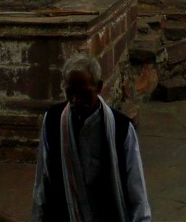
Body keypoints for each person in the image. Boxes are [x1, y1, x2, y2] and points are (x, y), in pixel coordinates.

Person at [31, 53, 151, 222]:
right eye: (70, 94)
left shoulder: (121, 128)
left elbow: (136, 190)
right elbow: (42, 181)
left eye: (84, 94)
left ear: (99, 87)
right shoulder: (52, 121)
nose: (76, 101)